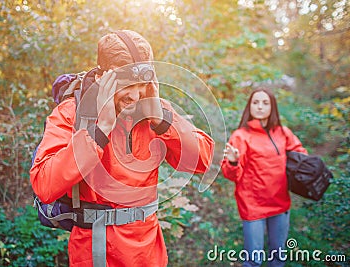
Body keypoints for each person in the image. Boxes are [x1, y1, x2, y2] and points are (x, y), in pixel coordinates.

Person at [30, 30, 214, 267]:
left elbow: (205, 162)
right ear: (102, 77)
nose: (136, 95)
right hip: (95, 251)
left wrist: (161, 121)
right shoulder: (73, 113)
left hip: (149, 252)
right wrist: (100, 131)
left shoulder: (153, 110)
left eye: (142, 84)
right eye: (127, 84)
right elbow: (44, 184)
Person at [221, 88, 307, 267]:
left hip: (280, 202)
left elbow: (300, 155)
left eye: (265, 103)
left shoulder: (283, 132)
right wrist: (233, 162)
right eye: (256, 102)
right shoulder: (241, 136)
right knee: (253, 261)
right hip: (253, 206)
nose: (260, 107)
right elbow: (230, 174)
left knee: (278, 258)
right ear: (249, 106)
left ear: (272, 107)